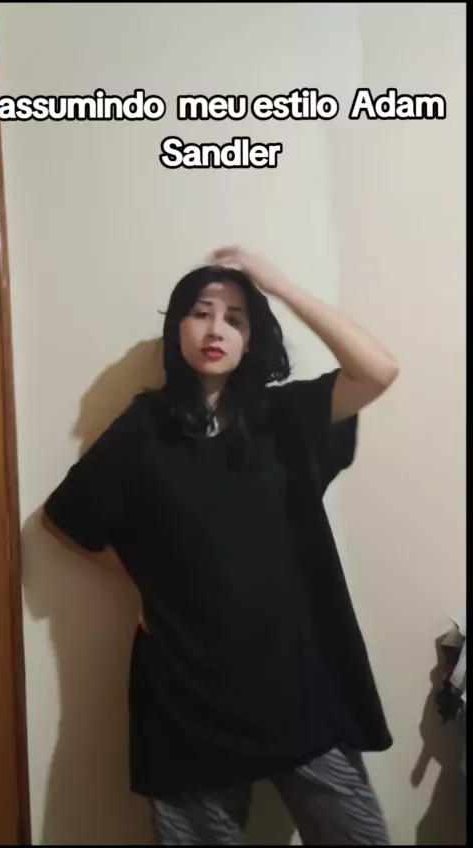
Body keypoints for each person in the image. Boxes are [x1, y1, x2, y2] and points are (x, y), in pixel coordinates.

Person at [43, 246, 399, 846]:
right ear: (177, 327)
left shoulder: (285, 415)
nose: (215, 330)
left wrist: (279, 285)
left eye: (235, 318)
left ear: (251, 337)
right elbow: (64, 521)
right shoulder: (143, 429)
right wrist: (146, 579)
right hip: (188, 691)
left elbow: (378, 371)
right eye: (201, 313)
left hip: (297, 680)